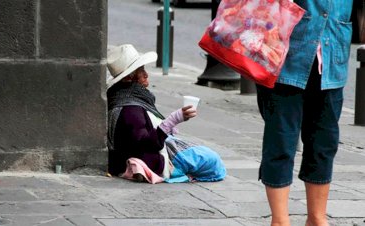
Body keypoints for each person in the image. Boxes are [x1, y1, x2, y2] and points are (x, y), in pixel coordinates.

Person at [255, 1, 353, 226]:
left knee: (324, 144)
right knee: (280, 142)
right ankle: (280, 221)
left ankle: (317, 218)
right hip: (284, 58)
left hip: (332, 59)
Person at [106, 44, 226, 183]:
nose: (146, 74)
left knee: (202, 152)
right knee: (213, 161)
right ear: (128, 78)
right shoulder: (130, 109)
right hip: (153, 158)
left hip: (147, 150)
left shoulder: (124, 98)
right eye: (141, 71)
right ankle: (143, 168)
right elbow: (147, 144)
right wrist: (173, 120)